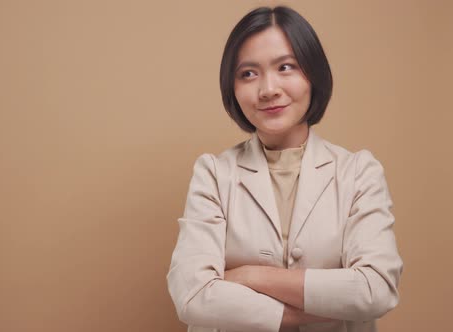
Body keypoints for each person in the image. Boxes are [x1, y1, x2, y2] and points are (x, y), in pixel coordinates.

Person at [166, 6, 403, 332]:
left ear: (313, 74)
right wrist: (321, 308)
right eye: (248, 73)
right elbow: (191, 295)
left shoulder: (359, 171)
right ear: (231, 87)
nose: (268, 89)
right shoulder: (213, 174)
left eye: (286, 67)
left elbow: (377, 289)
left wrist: (251, 275)